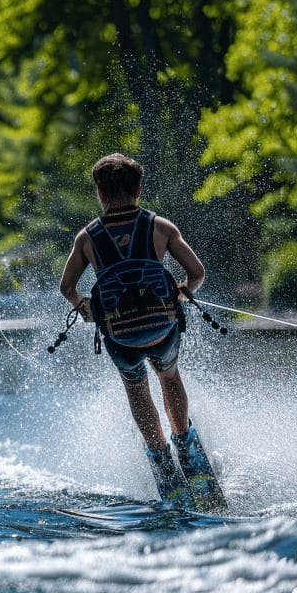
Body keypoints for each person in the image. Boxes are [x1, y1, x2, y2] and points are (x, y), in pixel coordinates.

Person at [58, 153, 212, 496]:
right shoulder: (162, 227)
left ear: (99, 192)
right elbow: (197, 273)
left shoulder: (87, 238)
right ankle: (185, 446)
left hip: (120, 336)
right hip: (162, 329)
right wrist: (182, 293)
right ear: (138, 188)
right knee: (169, 377)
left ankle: (159, 457)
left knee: (136, 387)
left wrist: (86, 309)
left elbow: (67, 287)